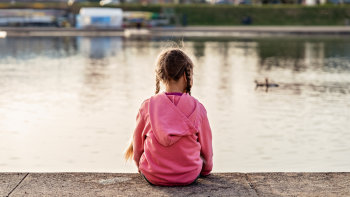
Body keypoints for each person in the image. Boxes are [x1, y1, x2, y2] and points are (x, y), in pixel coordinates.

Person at [124, 48, 213, 186]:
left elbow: (137, 149)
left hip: (153, 175)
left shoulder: (147, 106)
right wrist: (206, 170)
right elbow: (207, 151)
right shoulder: (198, 108)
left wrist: (140, 167)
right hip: (189, 176)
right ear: (185, 75)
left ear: (160, 76)